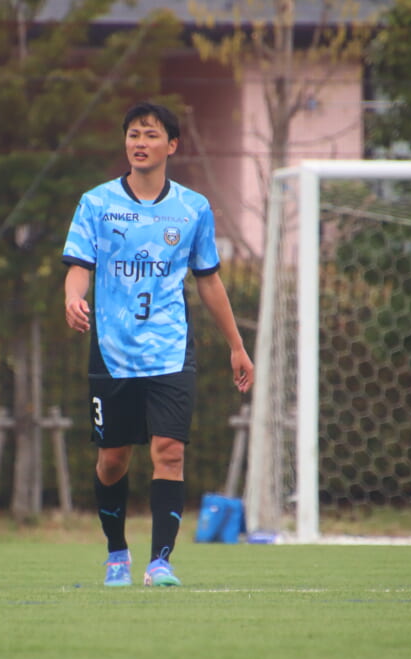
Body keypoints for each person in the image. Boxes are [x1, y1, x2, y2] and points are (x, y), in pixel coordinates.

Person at [62, 101, 254, 587]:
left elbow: (209, 280)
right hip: (112, 352)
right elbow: (80, 265)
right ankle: (117, 553)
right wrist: (72, 298)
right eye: (133, 134)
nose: (140, 143)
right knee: (113, 460)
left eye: (150, 135)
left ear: (172, 145)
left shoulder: (193, 208)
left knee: (169, 451)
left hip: (170, 350)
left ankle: (160, 563)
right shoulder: (96, 203)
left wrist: (236, 345)